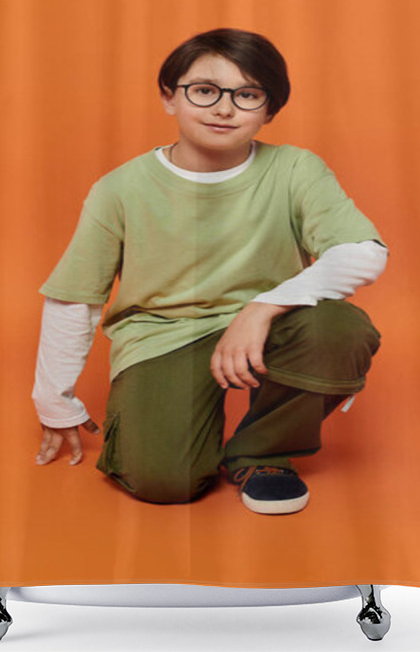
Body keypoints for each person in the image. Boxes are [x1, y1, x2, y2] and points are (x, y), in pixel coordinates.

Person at [31, 27, 389, 515]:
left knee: (340, 328)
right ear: (169, 98)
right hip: (163, 335)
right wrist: (55, 399)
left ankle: (262, 452)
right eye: (204, 91)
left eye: (247, 95)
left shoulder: (295, 170)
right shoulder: (119, 189)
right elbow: (76, 295)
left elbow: (363, 252)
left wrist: (261, 308)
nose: (224, 109)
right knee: (164, 481)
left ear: (269, 110)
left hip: (271, 329)